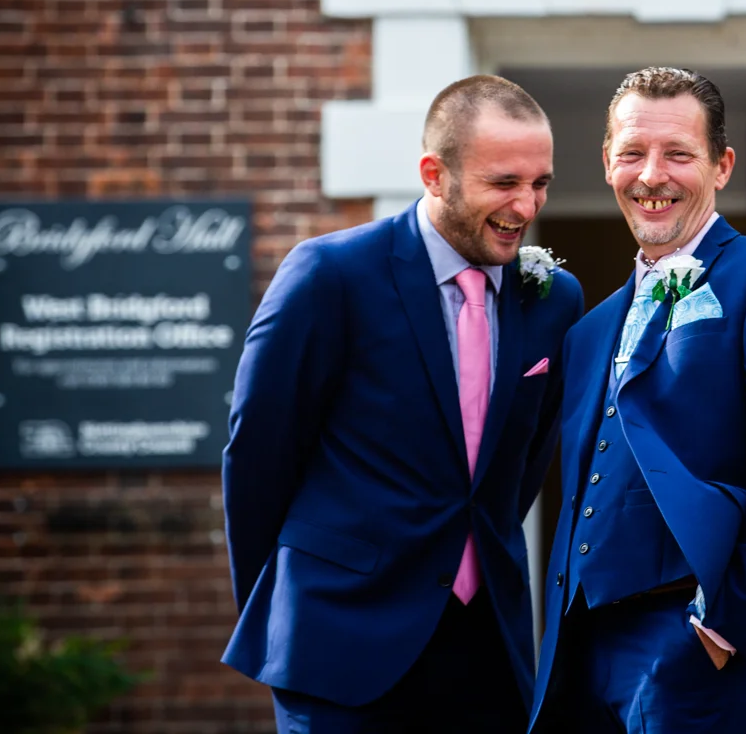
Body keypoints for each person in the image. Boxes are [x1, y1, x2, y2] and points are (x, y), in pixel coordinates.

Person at [221, 75, 583, 734]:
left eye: (540, 183)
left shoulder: (554, 299)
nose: (526, 205)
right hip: (340, 639)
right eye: (504, 182)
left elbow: (521, 470)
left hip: (488, 646)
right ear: (434, 175)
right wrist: (279, 610)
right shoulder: (330, 274)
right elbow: (258, 457)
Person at [528, 67, 746, 733]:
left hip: (694, 649)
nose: (652, 175)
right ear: (608, 163)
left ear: (721, 165)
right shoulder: (588, 329)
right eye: (632, 153)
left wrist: (724, 626)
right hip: (577, 654)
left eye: (678, 153)